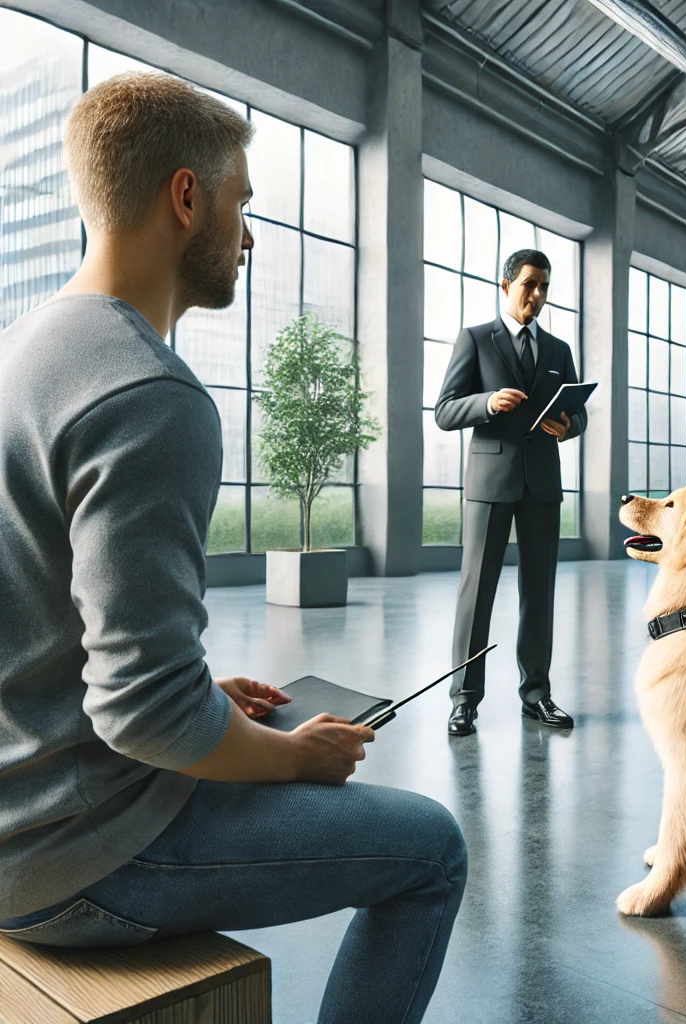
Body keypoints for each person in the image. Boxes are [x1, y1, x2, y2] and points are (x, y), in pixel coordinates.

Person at [0, 72, 465, 1024]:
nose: (248, 237)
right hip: (69, 855)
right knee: (432, 852)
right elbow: (145, 723)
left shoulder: (27, 349)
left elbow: (54, 631)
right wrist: (295, 757)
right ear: (186, 196)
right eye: (242, 203)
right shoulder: (149, 396)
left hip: (15, 806)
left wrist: (208, 699)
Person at [435, 249, 587, 737]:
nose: (538, 296)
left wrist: (570, 425)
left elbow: (577, 414)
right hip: (490, 484)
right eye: (529, 286)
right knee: (476, 594)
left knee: (539, 594)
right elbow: (445, 410)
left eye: (544, 287)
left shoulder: (559, 349)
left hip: (542, 483)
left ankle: (537, 696)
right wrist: (488, 402)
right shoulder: (476, 340)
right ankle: (464, 700)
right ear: (506, 286)